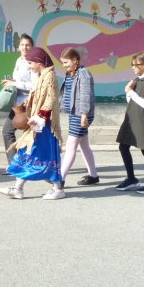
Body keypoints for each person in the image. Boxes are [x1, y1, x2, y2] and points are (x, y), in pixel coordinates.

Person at [0, 47, 64, 200]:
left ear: (39, 62)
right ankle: (18, 189)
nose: (29, 66)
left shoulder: (49, 77)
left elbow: (51, 99)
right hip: (39, 124)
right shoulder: (43, 75)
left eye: (30, 63)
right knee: (27, 153)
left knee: (41, 155)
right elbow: (39, 95)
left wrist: (41, 116)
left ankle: (58, 189)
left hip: (46, 126)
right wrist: (28, 102)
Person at [115, 52, 144, 194]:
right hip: (132, 119)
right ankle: (131, 179)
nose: (133, 67)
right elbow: (131, 101)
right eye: (132, 64)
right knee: (123, 146)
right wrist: (128, 91)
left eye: (136, 65)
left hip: (143, 121)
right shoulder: (137, 80)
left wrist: (130, 91)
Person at [58, 47, 99, 187]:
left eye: (66, 62)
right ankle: (93, 176)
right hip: (74, 113)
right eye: (62, 63)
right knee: (84, 145)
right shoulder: (71, 73)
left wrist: (84, 115)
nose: (64, 65)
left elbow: (85, 95)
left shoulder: (83, 74)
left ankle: (60, 179)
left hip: (81, 114)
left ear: (75, 60)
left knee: (71, 145)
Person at [0, 34, 37, 174]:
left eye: (27, 45)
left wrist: (15, 83)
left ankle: (37, 164)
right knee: (7, 131)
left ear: (32, 47)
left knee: (31, 136)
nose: (25, 47)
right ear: (18, 46)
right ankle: (14, 165)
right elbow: (17, 81)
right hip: (17, 104)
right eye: (22, 45)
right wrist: (10, 82)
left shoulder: (33, 62)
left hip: (28, 104)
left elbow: (34, 85)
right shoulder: (19, 60)